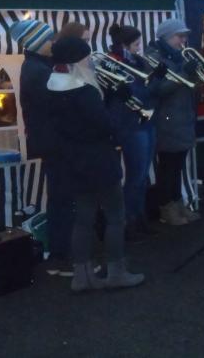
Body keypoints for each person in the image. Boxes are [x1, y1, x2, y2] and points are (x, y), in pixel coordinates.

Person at [46, 36, 144, 292]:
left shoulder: (52, 88)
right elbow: (107, 125)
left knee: (83, 219)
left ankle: (82, 276)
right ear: (77, 60)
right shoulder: (85, 91)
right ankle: (116, 272)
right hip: (99, 160)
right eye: (86, 57)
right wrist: (116, 99)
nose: (90, 61)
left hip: (74, 161)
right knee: (115, 216)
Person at [11, 19, 74, 277]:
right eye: (49, 39)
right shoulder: (37, 71)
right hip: (55, 143)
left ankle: (63, 253)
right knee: (62, 199)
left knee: (61, 198)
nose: (53, 42)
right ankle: (63, 256)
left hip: (53, 142)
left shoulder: (40, 66)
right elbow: (61, 103)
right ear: (37, 43)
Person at [107, 23, 161, 242]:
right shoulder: (113, 62)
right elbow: (132, 93)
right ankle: (129, 221)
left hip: (145, 121)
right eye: (136, 44)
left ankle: (139, 217)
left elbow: (150, 92)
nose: (139, 48)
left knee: (143, 175)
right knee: (135, 176)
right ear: (125, 45)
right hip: (129, 123)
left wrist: (156, 77)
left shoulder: (138, 62)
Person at [146, 19, 201, 226]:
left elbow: (189, 87)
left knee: (177, 166)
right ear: (166, 37)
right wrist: (185, 72)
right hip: (167, 119)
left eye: (184, 36)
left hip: (182, 116)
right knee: (167, 167)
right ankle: (166, 208)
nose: (183, 40)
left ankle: (178, 203)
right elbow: (158, 89)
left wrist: (194, 75)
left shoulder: (179, 56)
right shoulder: (154, 58)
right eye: (179, 36)